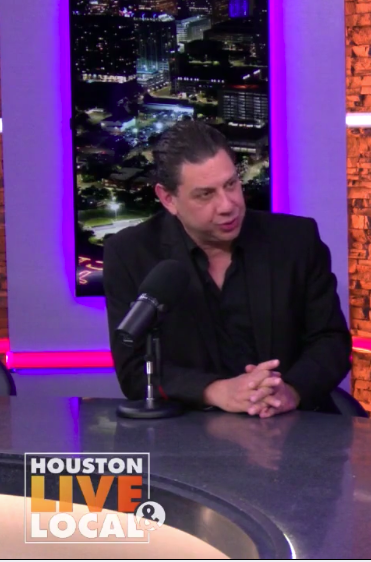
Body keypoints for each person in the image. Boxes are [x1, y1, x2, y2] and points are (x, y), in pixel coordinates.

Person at [104, 121, 352, 418]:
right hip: (193, 442)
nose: (228, 205)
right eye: (205, 194)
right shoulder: (131, 254)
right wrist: (216, 390)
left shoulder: (296, 241)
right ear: (168, 199)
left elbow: (332, 341)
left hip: (292, 428)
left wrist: (290, 391)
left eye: (231, 184)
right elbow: (134, 370)